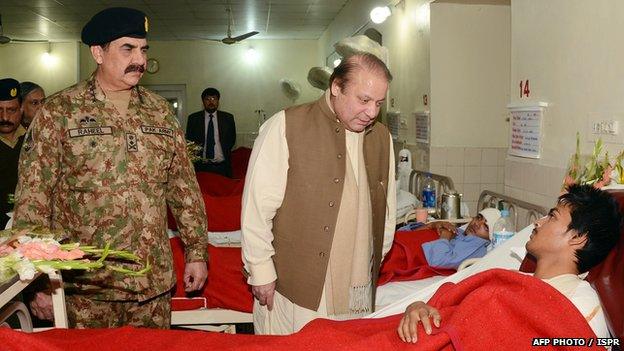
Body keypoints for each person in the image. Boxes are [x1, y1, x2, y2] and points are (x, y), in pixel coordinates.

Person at [12, 7, 209, 329]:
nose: (140, 60)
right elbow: (33, 199)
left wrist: (197, 252)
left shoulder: (159, 111)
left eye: (144, 49)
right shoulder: (60, 111)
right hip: (87, 286)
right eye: (127, 48)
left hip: (151, 282)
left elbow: (183, 188)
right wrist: (37, 280)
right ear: (98, 53)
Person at [241, 53, 397, 335]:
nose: (372, 112)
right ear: (336, 87)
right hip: (297, 284)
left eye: (379, 103)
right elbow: (257, 206)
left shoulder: (382, 138)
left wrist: (373, 257)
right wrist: (260, 269)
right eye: (364, 100)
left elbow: (386, 208)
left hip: (357, 282)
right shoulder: (287, 125)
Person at [398, 184, 622, 343]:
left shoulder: (581, 306)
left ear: (577, 237)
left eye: (552, 217)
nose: (537, 222)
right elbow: (451, 307)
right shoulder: (512, 281)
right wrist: (418, 306)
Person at [419, 208, 501, 269]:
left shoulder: (477, 246)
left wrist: (445, 237)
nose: (476, 224)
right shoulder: (459, 231)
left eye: (485, 226)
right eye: (478, 218)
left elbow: (438, 261)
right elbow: (408, 231)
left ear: (491, 236)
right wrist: (432, 225)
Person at [185, 88, 236, 177]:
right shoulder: (193, 119)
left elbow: (232, 139)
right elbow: (189, 141)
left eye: (214, 99)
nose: (211, 102)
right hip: (201, 167)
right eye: (207, 99)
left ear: (218, 101)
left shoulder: (228, 118)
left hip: (222, 167)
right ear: (203, 101)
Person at [0, 78, 25, 229]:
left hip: (28, 228)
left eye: (11, 110)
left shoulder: (35, 139)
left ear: (21, 108)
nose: (4, 118)